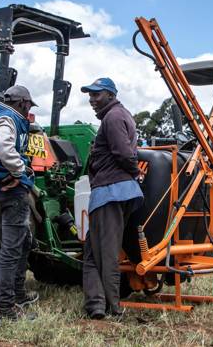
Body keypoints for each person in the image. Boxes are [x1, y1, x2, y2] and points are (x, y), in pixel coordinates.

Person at [80, 77, 143, 320]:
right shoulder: (119, 115)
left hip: (109, 193)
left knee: (104, 253)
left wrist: (135, 172)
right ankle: (96, 305)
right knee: (94, 252)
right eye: (90, 95)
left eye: (96, 95)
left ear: (110, 94)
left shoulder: (114, 117)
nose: (91, 100)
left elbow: (124, 153)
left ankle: (113, 307)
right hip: (114, 192)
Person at [0, 85, 39, 324]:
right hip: (10, 190)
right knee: (11, 250)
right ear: (22, 102)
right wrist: (21, 168)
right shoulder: (8, 117)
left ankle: (20, 295)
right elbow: (2, 147)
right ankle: (5, 309)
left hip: (3, 188)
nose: (28, 111)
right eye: (28, 106)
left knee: (24, 242)